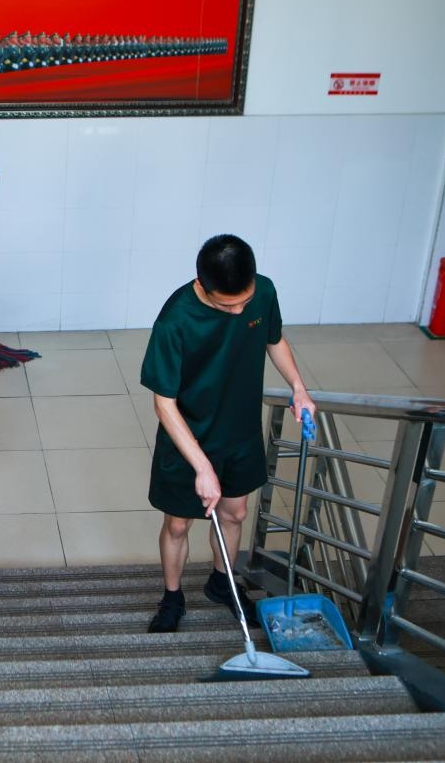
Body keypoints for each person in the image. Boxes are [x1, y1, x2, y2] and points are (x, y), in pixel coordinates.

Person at [140, 234, 315, 633]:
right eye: (226, 304)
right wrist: (202, 467)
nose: (238, 311)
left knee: (235, 513)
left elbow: (275, 340)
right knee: (179, 524)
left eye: (244, 301)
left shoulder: (264, 292)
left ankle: (222, 583)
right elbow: (163, 404)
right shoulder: (175, 321)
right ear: (202, 285)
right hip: (188, 438)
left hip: (239, 429)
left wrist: (298, 388)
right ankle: (172, 597)